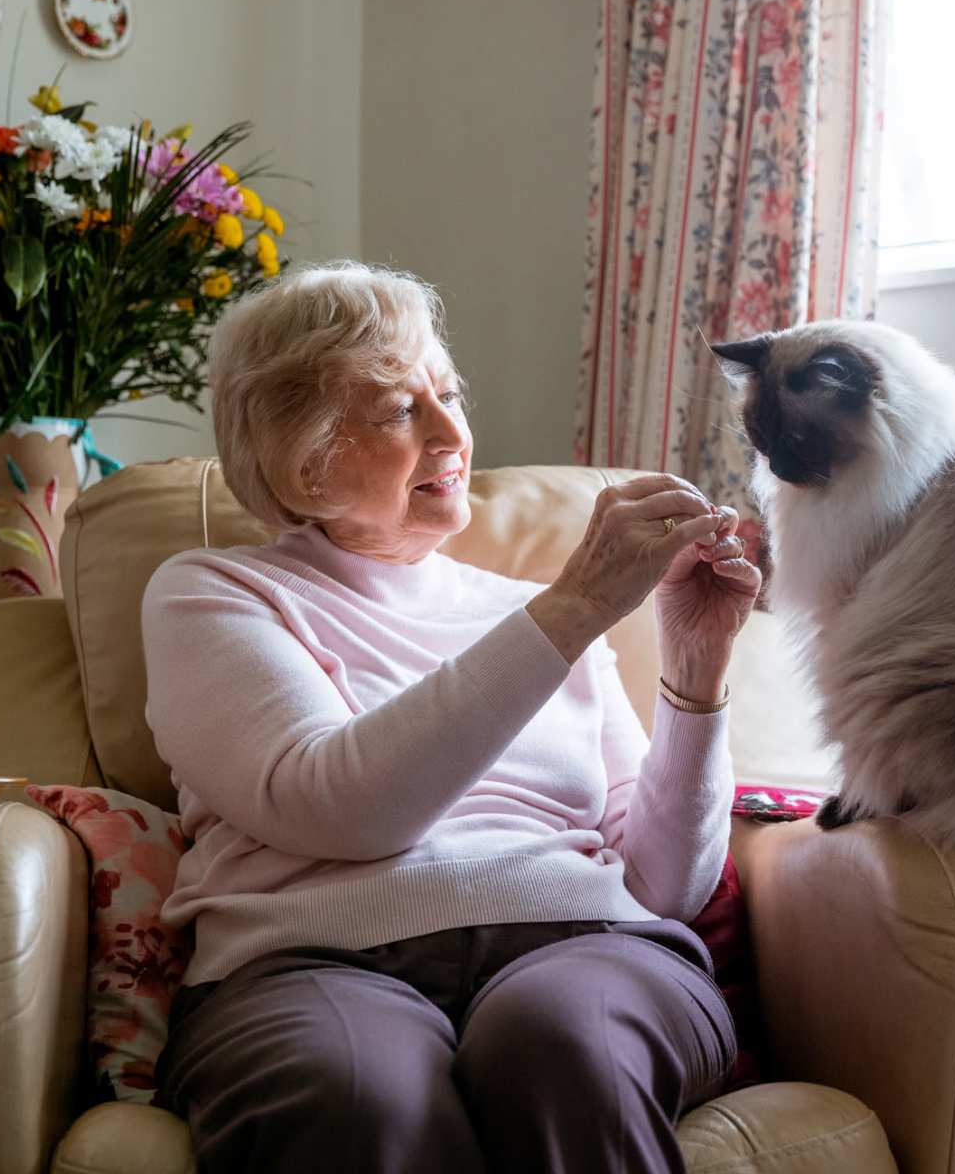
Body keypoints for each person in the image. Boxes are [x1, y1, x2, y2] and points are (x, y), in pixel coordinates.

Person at [144, 261, 762, 1173]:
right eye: (401, 410)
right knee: (354, 1093)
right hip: (311, 962)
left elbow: (664, 885)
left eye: (450, 393)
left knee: (563, 1044)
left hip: (586, 944)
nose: (453, 433)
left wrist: (695, 668)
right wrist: (574, 606)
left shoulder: (544, 618)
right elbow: (339, 806)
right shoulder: (215, 594)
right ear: (302, 458)